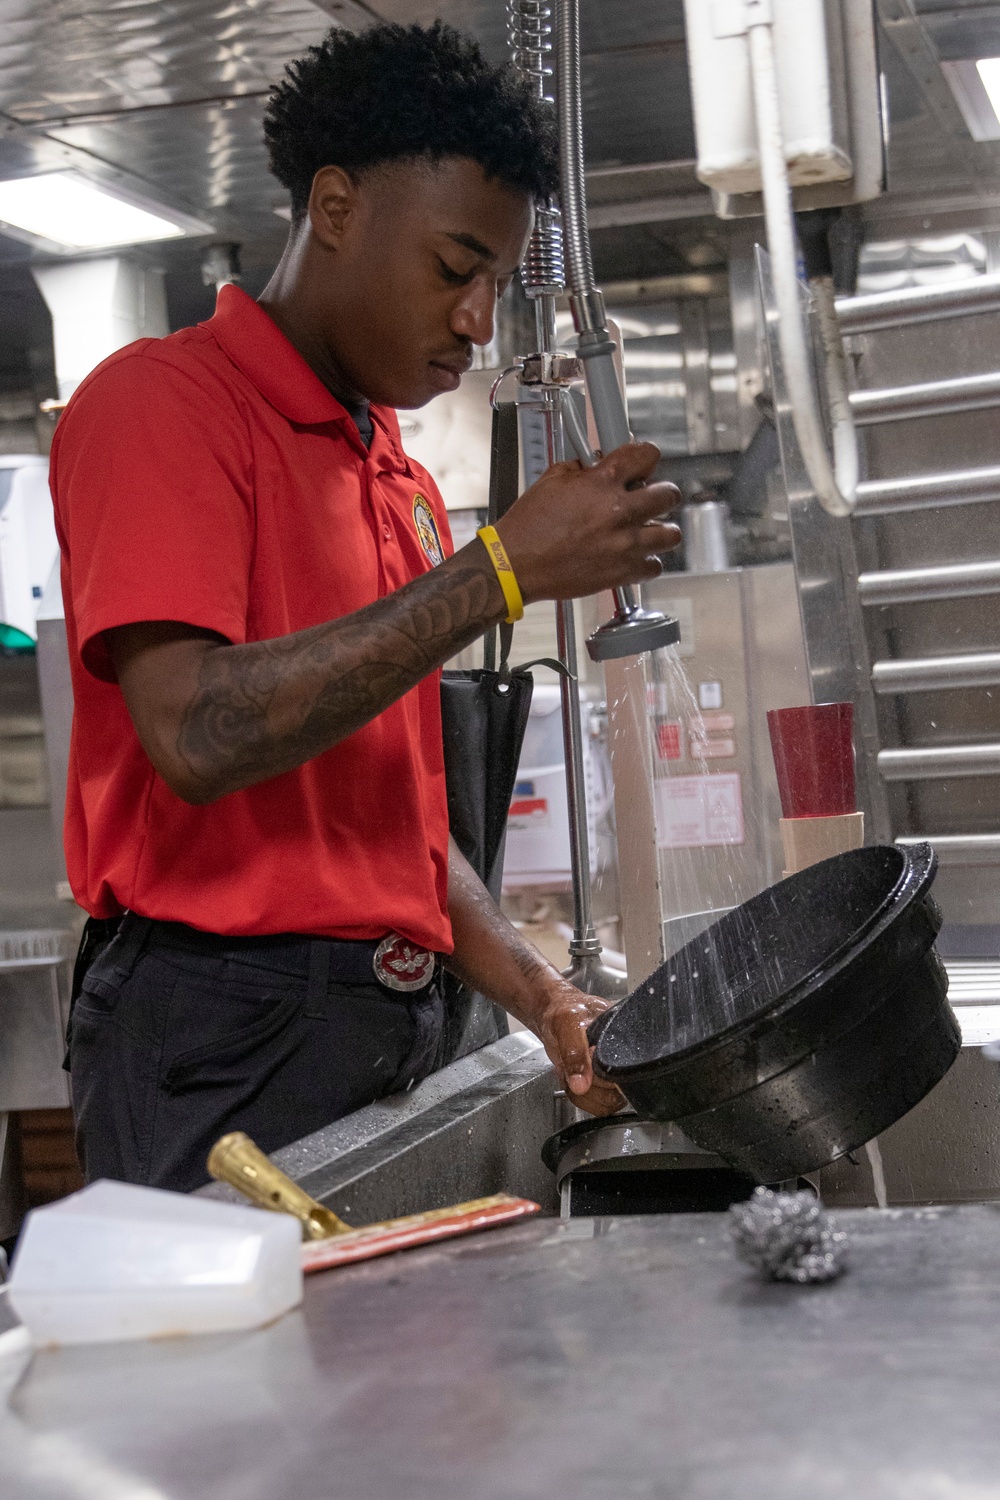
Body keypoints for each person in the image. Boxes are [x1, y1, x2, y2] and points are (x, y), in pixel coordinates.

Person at [51, 22, 681, 1193]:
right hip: (223, 1034)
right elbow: (194, 734)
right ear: (334, 206)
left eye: (495, 282)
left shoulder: (387, 471)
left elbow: (383, 815)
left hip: (399, 1010)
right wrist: (494, 573)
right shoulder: (162, 409)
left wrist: (537, 992)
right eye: (454, 270)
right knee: (247, 1372)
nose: (478, 322)